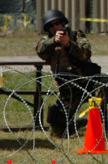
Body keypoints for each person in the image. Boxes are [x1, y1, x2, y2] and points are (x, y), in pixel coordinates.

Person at [36, 9, 100, 137]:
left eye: (58, 23)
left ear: (63, 23)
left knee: (104, 99)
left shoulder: (76, 36)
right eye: (51, 25)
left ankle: (100, 125)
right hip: (66, 86)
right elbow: (40, 51)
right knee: (57, 126)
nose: (55, 27)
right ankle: (74, 125)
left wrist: (68, 44)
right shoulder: (47, 42)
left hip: (85, 81)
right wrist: (54, 41)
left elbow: (85, 53)